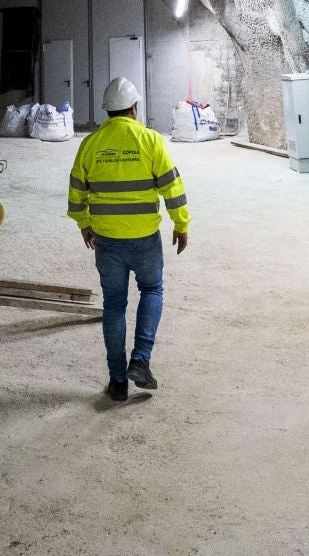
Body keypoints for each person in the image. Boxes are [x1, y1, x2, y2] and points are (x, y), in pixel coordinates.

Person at [67, 76, 190, 401]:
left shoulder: (90, 144)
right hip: (145, 238)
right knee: (152, 290)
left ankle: (118, 381)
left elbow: (76, 191)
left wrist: (83, 223)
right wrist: (181, 224)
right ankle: (141, 360)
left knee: (114, 305)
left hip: (106, 239)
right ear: (135, 107)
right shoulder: (150, 140)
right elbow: (172, 188)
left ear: (108, 110)